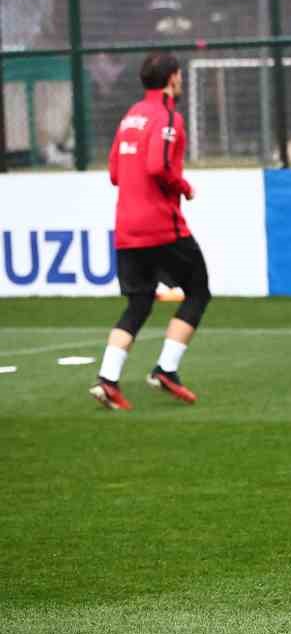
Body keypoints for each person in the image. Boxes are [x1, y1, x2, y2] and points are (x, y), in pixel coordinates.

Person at [91, 52, 214, 410]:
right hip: (160, 226)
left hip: (127, 228)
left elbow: (115, 173)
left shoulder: (130, 116)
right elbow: (158, 166)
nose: (181, 80)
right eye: (180, 75)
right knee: (198, 292)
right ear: (172, 78)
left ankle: (107, 379)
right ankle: (166, 369)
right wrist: (183, 186)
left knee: (139, 302)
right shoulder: (167, 116)